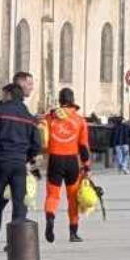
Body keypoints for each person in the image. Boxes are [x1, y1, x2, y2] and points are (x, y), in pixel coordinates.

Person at [0, 73, 42, 250]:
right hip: (19, 162)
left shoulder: (0, 111)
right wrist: (28, 157)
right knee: (19, 201)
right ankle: (16, 241)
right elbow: (37, 143)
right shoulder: (28, 116)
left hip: (1, 160)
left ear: (10, 95)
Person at [43, 88, 91, 244]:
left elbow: (42, 137)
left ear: (59, 100)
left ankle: (50, 218)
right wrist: (86, 166)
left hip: (55, 159)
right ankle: (73, 232)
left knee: (52, 195)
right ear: (72, 99)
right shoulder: (79, 120)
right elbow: (83, 146)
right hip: (72, 161)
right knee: (73, 198)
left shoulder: (50, 118)